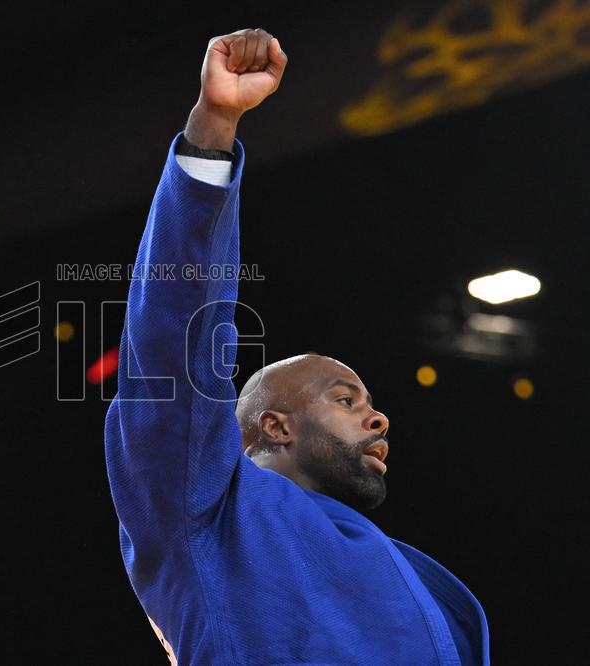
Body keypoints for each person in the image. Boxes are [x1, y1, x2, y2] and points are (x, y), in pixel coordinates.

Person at [103, 28, 490, 665]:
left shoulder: (426, 586)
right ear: (276, 426)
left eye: (368, 403)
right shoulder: (206, 514)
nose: (379, 417)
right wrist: (214, 127)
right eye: (345, 399)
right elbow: (175, 344)